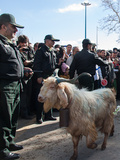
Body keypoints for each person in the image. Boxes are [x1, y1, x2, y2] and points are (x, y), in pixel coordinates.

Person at [0, 13, 33, 160]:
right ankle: (3, 151)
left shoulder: (9, 43)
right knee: (4, 119)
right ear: (3, 26)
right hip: (5, 87)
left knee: (13, 118)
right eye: (13, 27)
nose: (15, 31)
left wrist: (24, 71)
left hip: (16, 85)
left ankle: (10, 142)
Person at [33, 34, 62, 124]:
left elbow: (53, 65)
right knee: (42, 96)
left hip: (51, 77)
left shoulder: (52, 51)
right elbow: (37, 64)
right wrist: (39, 76)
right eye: (52, 41)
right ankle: (39, 116)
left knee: (50, 96)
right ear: (47, 41)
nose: (53, 43)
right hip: (43, 76)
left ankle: (48, 115)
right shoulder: (40, 51)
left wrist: (58, 63)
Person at [17, 35, 35, 119]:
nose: (24, 45)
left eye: (25, 42)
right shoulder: (17, 50)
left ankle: (29, 110)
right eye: (22, 42)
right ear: (19, 43)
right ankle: (24, 113)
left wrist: (29, 62)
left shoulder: (30, 50)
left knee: (29, 94)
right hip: (22, 76)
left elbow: (33, 60)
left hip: (30, 75)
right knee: (23, 95)